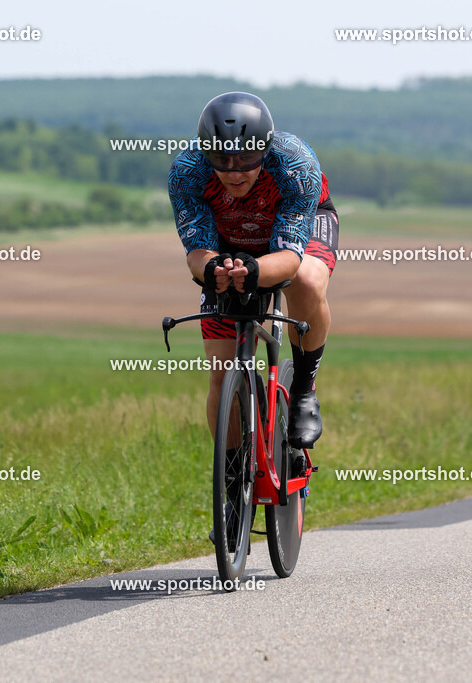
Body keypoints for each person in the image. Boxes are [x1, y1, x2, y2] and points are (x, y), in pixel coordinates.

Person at [167, 92, 338, 477]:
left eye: (246, 158)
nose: (234, 171)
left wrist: (256, 271)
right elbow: (197, 251)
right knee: (221, 371)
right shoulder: (187, 171)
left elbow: (291, 256)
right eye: (221, 160)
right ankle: (231, 482)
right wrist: (213, 272)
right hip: (228, 242)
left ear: (265, 148)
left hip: (294, 233)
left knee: (307, 280)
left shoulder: (294, 162)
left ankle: (304, 391)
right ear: (204, 152)